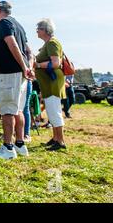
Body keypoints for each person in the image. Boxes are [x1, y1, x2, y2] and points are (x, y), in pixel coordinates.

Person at [0, 1, 33, 160]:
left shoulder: (4, 23)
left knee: (7, 110)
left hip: (9, 73)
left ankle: (7, 148)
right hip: (19, 73)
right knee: (18, 109)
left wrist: (23, 66)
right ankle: (19, 145)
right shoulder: (18, 25)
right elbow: (29, 51)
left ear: (0, 10)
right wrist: (28, 67)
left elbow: (12, 44)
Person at [34, 19, 67, 150]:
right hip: (49, 82)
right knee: (52, 111)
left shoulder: (52, 43)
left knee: (55, 112)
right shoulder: (49, 43)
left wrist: (37, 65)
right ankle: (55, 138)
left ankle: (60, 141)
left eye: (39, 28)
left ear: (45, 30)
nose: (37, 31)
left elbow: (55, 63)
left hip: (53, 82)